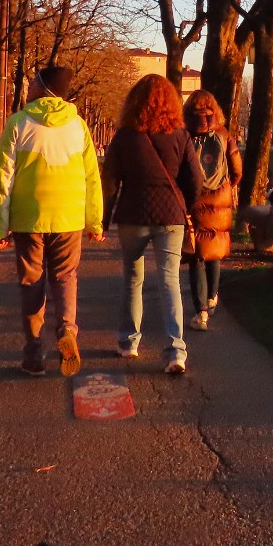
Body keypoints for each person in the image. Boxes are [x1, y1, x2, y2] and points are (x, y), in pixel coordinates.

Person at [0, 65, 104, 378]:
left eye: (31, 85)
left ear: (43, 89)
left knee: (32, 282)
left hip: (29, 218)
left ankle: (34, 353)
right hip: (69, 216)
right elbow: (92, 177)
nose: (27, 90)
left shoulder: (18, 123)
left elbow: (3, 178)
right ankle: (67, 329)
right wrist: (95, 221)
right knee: (65, 275)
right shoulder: (79, 126)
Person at [102, 74, 203, 375]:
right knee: (169, 281)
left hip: (133, 214)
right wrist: (185, 205)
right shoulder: (181, 136)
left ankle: (128, 342)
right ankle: (175, 352)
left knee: (133, 278)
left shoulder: (123, 136)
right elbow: (195, 180)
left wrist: (104, 220)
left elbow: (110, 183)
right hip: (171, 216)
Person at [183, 90, 242, 332]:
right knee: (214, 249)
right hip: (219, 196)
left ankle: (201, 313)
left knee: (197, 253)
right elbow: (237, 168)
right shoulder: (223, 134)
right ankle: (213, 297)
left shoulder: (185, 134)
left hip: (195, 198)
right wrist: (227, 187)